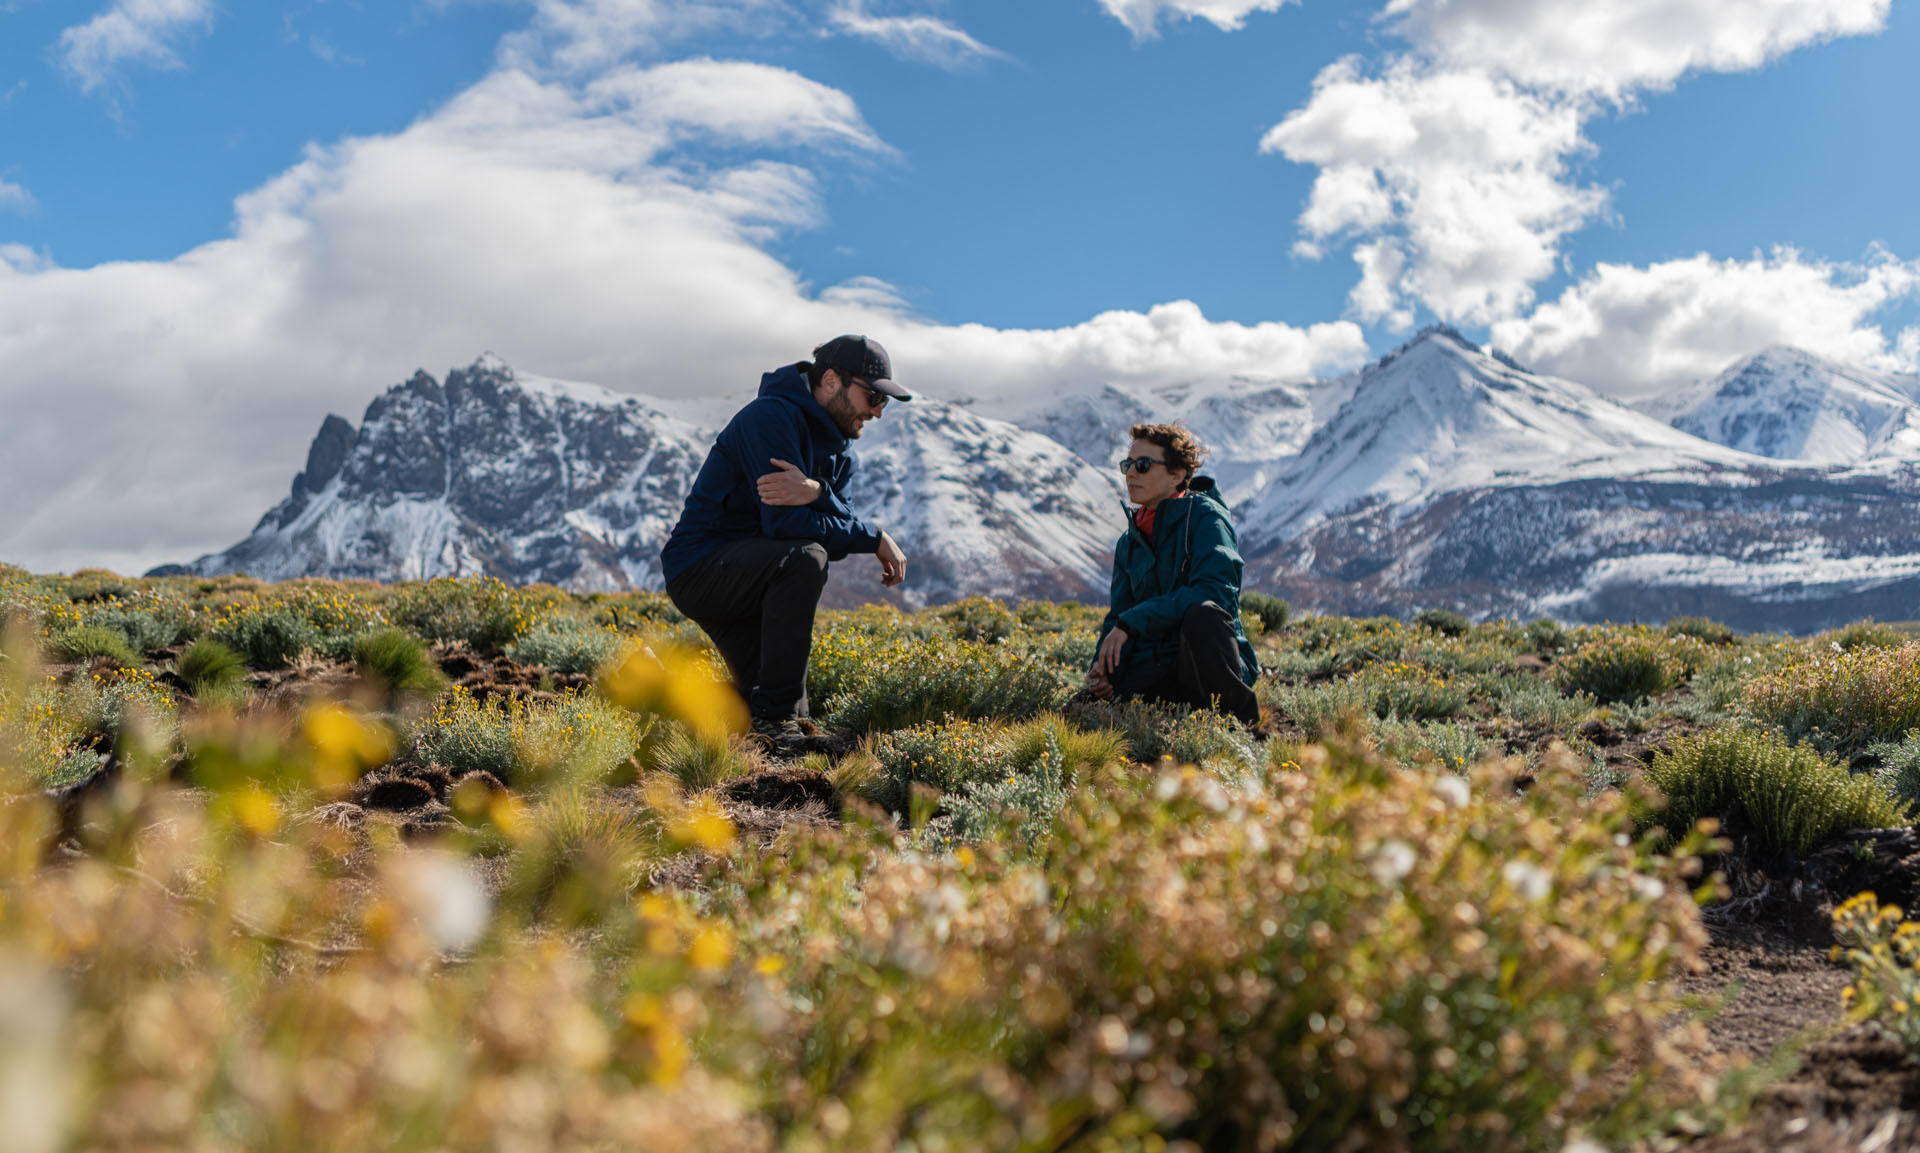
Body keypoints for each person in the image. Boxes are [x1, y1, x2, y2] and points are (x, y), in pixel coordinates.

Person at [660, 335, 910, 750]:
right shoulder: (771, 418)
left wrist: (817, 493)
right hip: (701, 569)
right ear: (830, 380)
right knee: (805, 558)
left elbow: (835, 526)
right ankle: (776, 727)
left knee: (775, 705)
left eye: (884, 403)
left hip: (758, 576)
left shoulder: (843, 455)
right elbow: (784, 524)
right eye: (872, 397)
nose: (878, 413)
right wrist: (871, 536)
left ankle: (656, 687)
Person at [1085, 423, 1261, 727]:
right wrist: (1100, 666)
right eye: (1128, 465)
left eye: (1142, 465)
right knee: (1082, 710)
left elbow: (1214, 592)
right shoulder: (1129, 542)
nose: (1130, 474)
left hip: (1205, 664)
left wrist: (1133, 622)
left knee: (1203, 615)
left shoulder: (1206, 518)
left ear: (1177, 475)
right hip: (1155, 664)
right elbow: (1118, 616)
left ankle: (1239, 727)